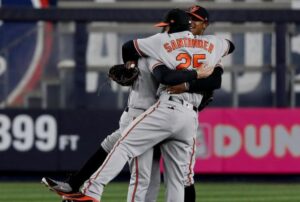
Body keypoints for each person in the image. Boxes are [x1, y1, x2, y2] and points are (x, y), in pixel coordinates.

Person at [41, 9, 220, 202]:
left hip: (152, 114)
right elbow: (213, 73)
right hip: (166, 115)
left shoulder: (161, 48)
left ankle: (86, 189)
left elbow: (168, 75)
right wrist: (132, 63)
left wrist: (189, 80)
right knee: (165, 177)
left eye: (167, 26)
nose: (165, 29)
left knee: (143, 175)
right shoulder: (186, 48)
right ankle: (75, 185)